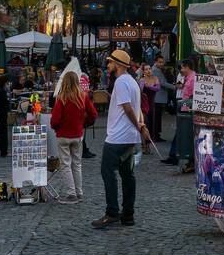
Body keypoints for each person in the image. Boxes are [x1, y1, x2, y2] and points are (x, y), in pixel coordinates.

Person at [92, 49, 150, 228]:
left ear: (117, 65)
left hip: (118, 137)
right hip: (129, 137)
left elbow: (128, 108)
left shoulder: (121, 82)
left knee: (107, 172)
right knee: (127, 175)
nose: (107, 65)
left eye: (109, 62)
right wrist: (141, 127)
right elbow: (136, 108)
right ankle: (128, 215)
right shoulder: (132, 82)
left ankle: (112, 212)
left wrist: (140, 126)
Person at [51, 72, 96, 203]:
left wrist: (56, 128)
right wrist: (83, 123)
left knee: (66, 165)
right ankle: (79, 192)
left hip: (63, 135)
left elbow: (55, 120)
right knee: (77, 164)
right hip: (77, 134)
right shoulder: (83, 96)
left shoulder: (62, 98)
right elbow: (93, 114)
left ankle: (71, 194)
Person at [165, 60, 196, 166]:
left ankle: (175, 156)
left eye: (182, 68)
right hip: (184, 108)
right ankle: (174, 155)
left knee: (181, 133)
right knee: (179, 133)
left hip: (187, 109)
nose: (181, 70)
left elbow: (193, 95)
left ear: (187, 67)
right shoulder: (188, 78)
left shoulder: (193, 78)